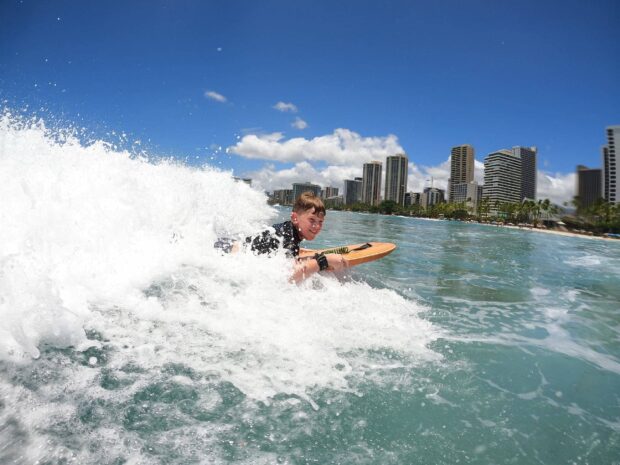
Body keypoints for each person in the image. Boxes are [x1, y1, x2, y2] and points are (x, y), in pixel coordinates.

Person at [216, 192, 347, 283]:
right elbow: (288, 277)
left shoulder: (290, 232)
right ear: (295, 218)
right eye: (312, 219)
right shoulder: (286, 236)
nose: (316, 226)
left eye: (320, 222)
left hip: (227, 245)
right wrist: (323, 262)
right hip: (223, 251)